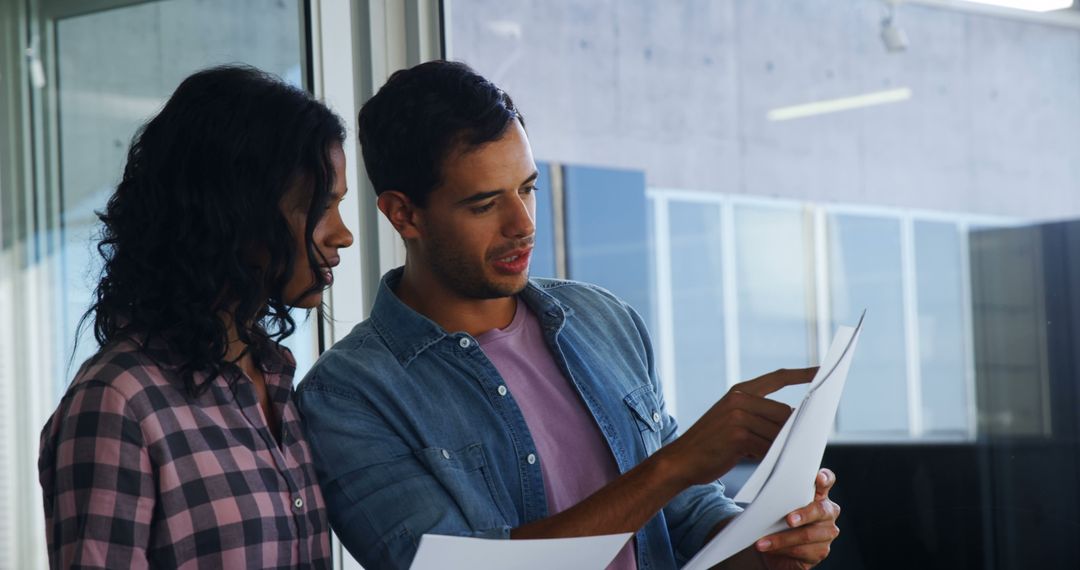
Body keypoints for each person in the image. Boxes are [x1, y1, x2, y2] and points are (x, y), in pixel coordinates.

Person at [297, 60, 839, 570]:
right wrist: (673, 467)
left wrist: (767, 544)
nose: (523, 224)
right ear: (403, 214)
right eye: (485, 204)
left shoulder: (603, 319)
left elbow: (687, 517)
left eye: (527, 189)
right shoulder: (347, 395)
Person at [38, 65, 353, 569]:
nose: (343, 235)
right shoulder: (119, 401)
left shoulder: (276, 381)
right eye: (320, 208)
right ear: (236, 209)